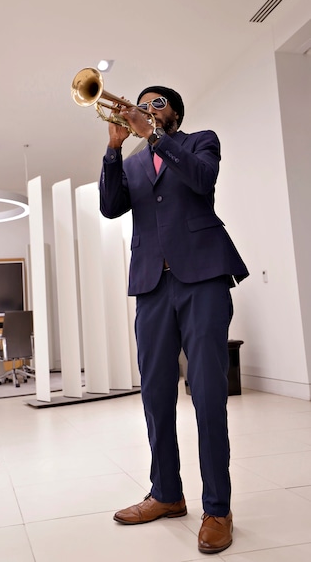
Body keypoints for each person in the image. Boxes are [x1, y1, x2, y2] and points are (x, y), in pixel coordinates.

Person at [99, 85, 249, 554]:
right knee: (156, 394)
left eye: (156, 103)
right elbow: (110, 207)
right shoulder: (132, 163)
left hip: (203, 278)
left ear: (176, 114)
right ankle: (166, 493)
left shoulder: (201, 141)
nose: (146, 108)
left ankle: (218, 509)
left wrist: (155, 136)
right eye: (141, 104)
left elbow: (202, 181)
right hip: (151, 285)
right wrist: (113, 149)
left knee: (207, 393)